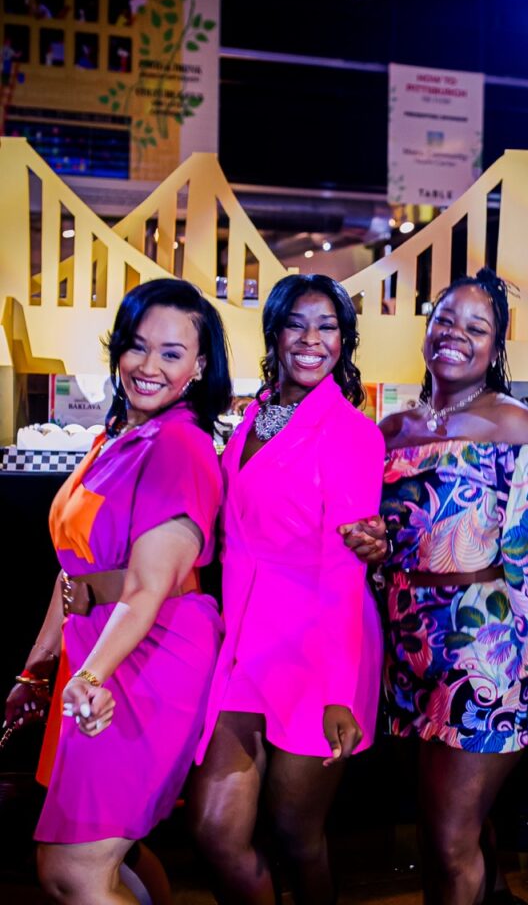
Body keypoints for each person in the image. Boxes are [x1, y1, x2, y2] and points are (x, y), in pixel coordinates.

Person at [3, 278, 231, 904]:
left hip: (148, 659)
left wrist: (93, 675)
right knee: (107, 855)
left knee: (74, 870)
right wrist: (39, 668)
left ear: (200, 366)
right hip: (99, 654)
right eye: (136, 346)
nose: (148, 366)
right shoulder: (117, 438)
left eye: (171, 352)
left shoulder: (180, 445)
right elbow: (72, 570)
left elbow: (145, 588)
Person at [374, 268, 528, 905]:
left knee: (447, 841)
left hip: (485, 651)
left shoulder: (515, 426)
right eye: (445, 320)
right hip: (410, 648)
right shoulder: (395, 431)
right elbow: (384, 537)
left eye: (476, 327)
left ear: (495, 349)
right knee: (447, 830)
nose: (456, 335)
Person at [189, 274, 386, 905]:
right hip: (245, 643)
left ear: (344, 340)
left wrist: (337, 692)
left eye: (327, 326)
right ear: (274, 332)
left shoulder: (353, 432)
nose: (311, 339)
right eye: (297, 323)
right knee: (216, 831)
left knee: (296, 834)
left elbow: (344, 566)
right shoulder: (250, 419)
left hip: (320, 648)